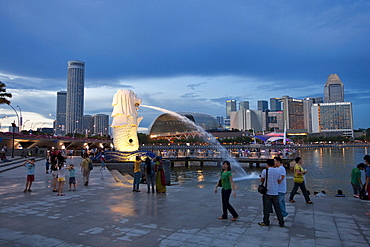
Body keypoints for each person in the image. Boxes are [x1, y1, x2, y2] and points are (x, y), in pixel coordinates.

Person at [258, 159, 285, 227]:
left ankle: (266, 221)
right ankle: (281, 222)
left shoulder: (265, 171)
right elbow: (279, 181)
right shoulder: (278, 171)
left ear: (267, 164)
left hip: (267, 192)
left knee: (266, 208)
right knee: (277, 208)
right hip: (275, 192)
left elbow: (262, 180)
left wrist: (262, 177)